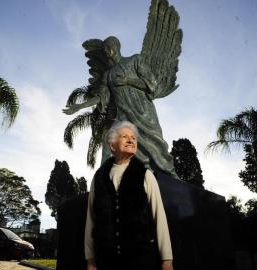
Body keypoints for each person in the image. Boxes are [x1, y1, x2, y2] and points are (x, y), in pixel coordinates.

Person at [63, 36, 177, 178]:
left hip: (143, 111)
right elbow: (101, 97)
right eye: (104, 48)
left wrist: (128, 80)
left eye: (108, 46)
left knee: (154, 143)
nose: (106, 50)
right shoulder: (108, 75)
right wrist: (80, 106)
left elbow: (151, 83)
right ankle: (105, 178)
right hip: (123, 115)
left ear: (116, 47)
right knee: (109, 140)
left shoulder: (134, 60)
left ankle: (170, 174)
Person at [84, 120, 173, 270]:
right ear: (112, 145)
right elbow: (91, 219)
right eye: (125, 136)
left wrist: (167, 259)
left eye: (133, 138)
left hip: (140, 259)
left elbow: (159, 216)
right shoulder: (99, 177)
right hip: (106, 259)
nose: (131, 140)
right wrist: (90, 259)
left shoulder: (146, 175)